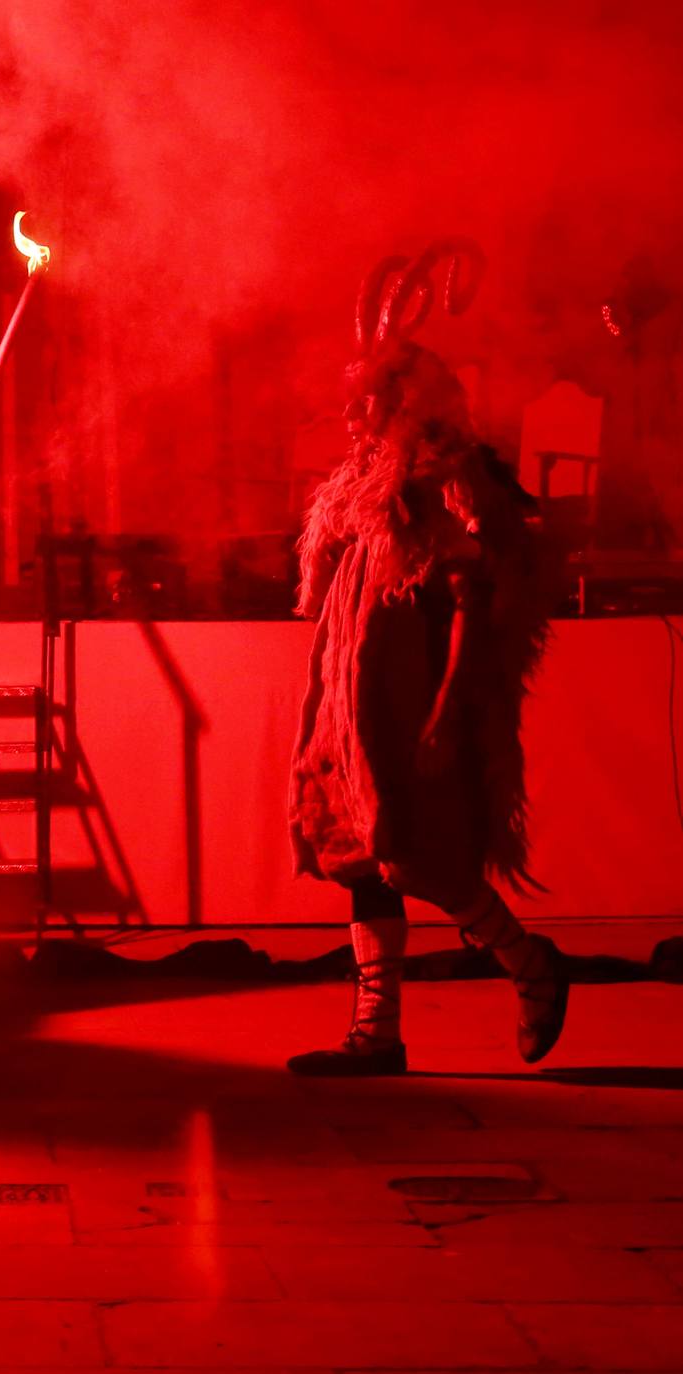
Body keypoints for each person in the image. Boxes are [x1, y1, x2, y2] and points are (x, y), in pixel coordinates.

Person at [288, 241, 565, 1076]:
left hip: (409, 704)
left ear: (401, 399)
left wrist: (447, 712)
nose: (350, 417)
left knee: (415, 853)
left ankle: (530, 965)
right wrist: (325, 708)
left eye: (364, 400)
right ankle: (376, 1035)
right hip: (353, 705)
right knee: (357, 856)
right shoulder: (358, 482)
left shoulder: (443, 480)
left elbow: (474, 603)